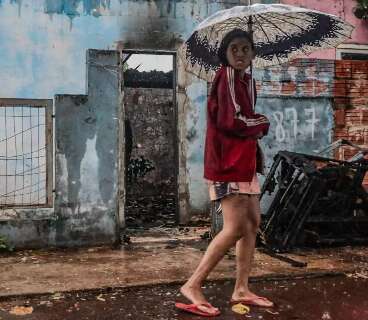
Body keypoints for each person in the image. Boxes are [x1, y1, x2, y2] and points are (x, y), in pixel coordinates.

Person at [175, 29, 273, 317]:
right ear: (225, 53)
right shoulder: (227, 75)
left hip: (244, 163)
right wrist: (262, 121)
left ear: (253, 53)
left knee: (252, 223)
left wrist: (254, 137)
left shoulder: (246, 81)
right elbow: (232, 121)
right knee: (235, 227)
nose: (240, 54)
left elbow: (244, 122)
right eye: (234, 49)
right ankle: (193, 284)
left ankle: (241, 288)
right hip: (227, 164)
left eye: (246, 49)